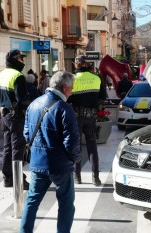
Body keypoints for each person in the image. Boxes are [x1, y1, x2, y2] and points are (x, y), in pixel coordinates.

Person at [19, 71, 81, 233]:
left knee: (32, 202)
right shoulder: (64, 108)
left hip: (38, 162)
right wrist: (74, 159)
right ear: (65, 88)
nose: (72, 91)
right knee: (66, 204)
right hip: (60, 165)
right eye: (72, 88)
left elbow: (26, 133)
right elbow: (72, 140)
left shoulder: (34, 104)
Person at [0, 49, 31, 189]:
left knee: (7, 147)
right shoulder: (18, 75)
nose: (23, 61)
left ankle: (7, 178)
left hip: (4, 114)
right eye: (21, 58)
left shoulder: (2, 74)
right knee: (18, 147)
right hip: (15, 115)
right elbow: (22, 99)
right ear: (16, 60)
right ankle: (18, 179)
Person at [67, 55, 102, 186]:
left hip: (76, 118)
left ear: (76, 64)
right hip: (91, 117)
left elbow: (66, 99)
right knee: (92, 147)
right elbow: (102, 97)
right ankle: (96, 178)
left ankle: (77, 176)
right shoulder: (96, 78)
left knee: (76, 147)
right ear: (86, 64)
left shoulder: (71, 79)